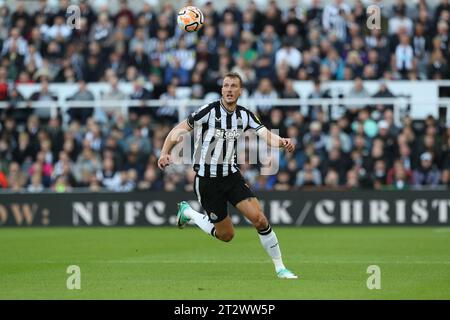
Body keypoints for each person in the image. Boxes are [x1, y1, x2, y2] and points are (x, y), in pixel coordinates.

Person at [157, 72, 298, 279]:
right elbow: (179, 129)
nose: (229, 89)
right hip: (207, 181)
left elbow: (266, 135)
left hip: (231, 176)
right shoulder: (208, 111)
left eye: (233, 86)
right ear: (221, 90)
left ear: (240, 91)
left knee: (259, 219)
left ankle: (280, 268)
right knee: (226, 235)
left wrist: (282, 141)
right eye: (226, 86)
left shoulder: (245, 115)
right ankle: (189, 213)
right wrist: (164, 152)